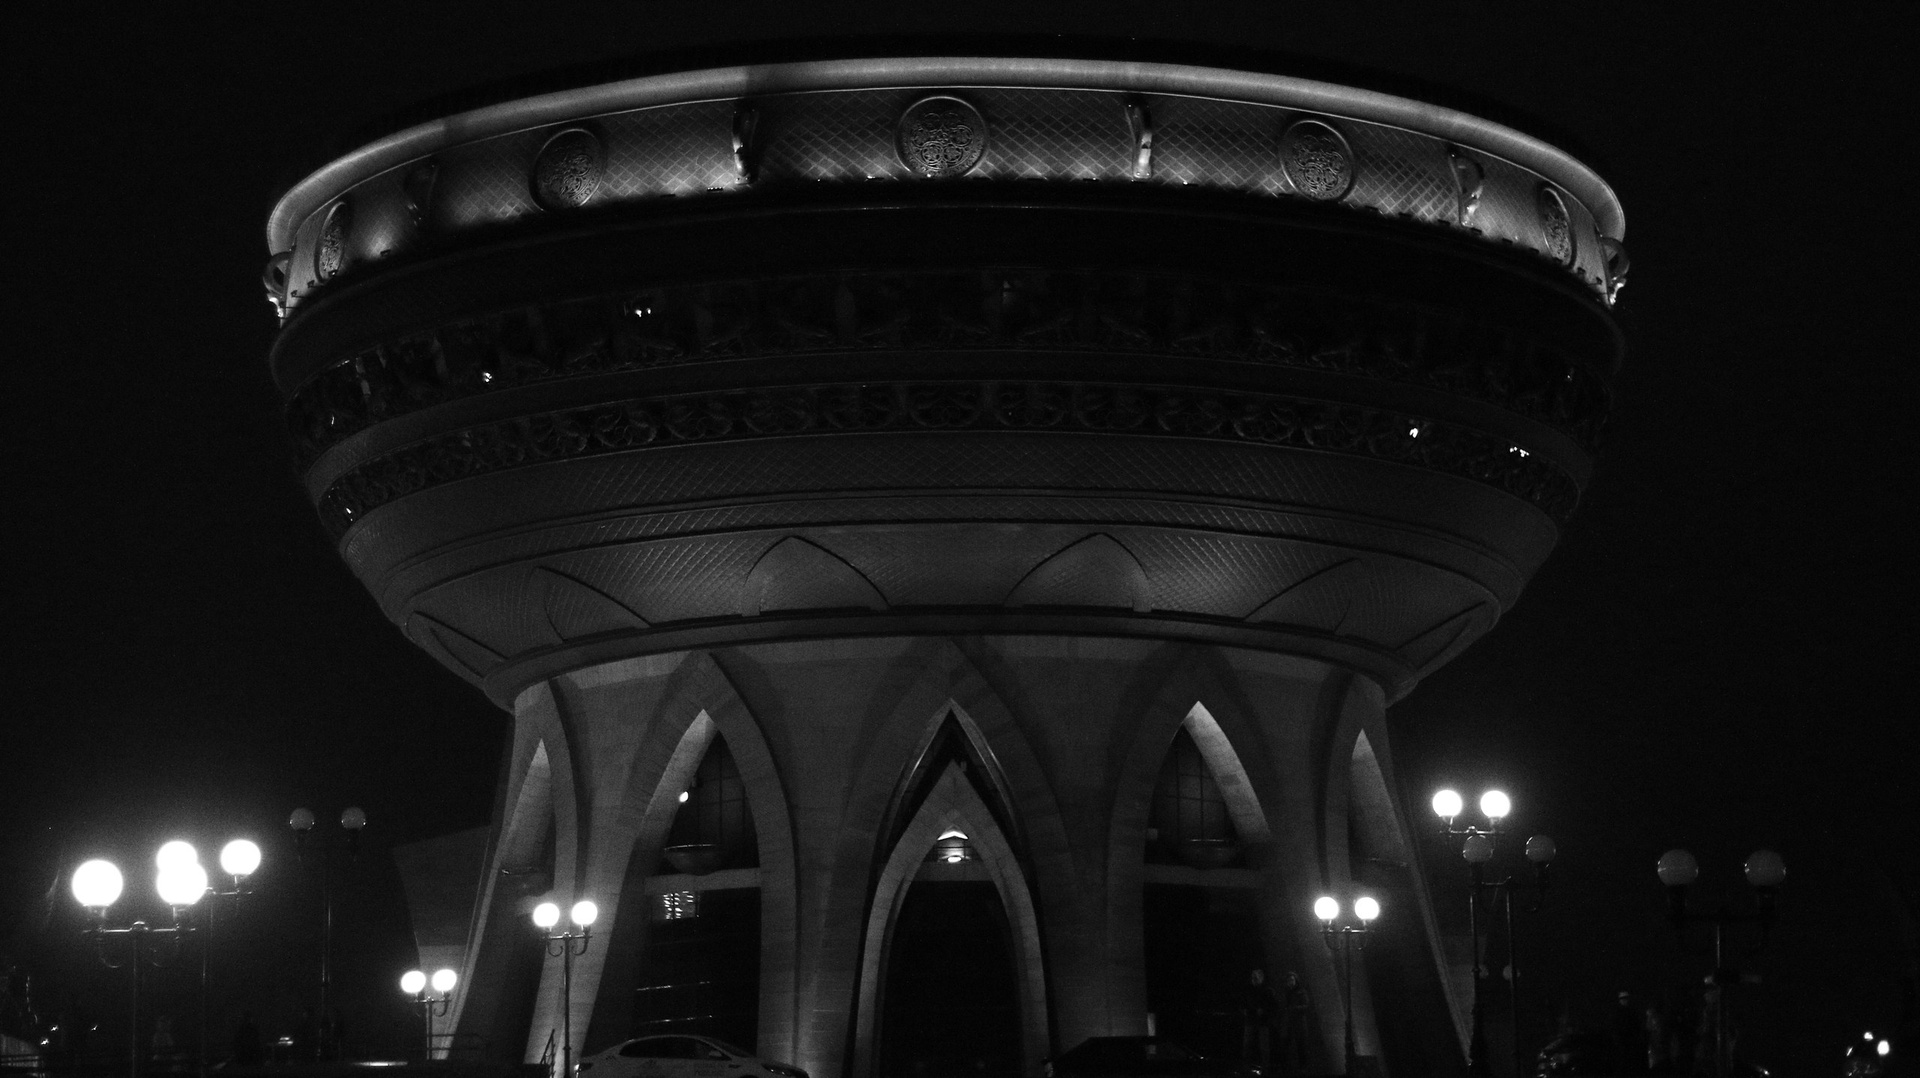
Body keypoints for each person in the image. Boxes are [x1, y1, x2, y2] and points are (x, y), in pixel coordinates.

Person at [1239, 969, 1278, 1070]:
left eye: (1256, 978)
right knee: (1247, 1045)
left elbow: (1273, 1006)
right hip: (1250, 1020)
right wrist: (1244, 1010)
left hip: (1262, 1021)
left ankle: (1265, 1068)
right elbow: (1242, 1002)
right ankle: (1246, 1066)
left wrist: (1264, 1011)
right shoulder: (1248, 990)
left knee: (1263, 1046)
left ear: (1261, 978)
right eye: (1252, 978)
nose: (1253, 980)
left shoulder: (1268, 990)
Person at [1276, 970, 1312, 1075]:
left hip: (1299, 1023)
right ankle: (1287, 1068)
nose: (1290, 982)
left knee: (1301, 1046)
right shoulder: (1285, 992)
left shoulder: (1301, 991)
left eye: (1292, 980)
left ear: (1296, 980)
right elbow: (1281, 1006)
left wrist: (1295, 1009)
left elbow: (1306, 1006)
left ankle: (1303, 1067)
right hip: (1288, 1023)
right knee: (1285, 1046)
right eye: (1289, 980)